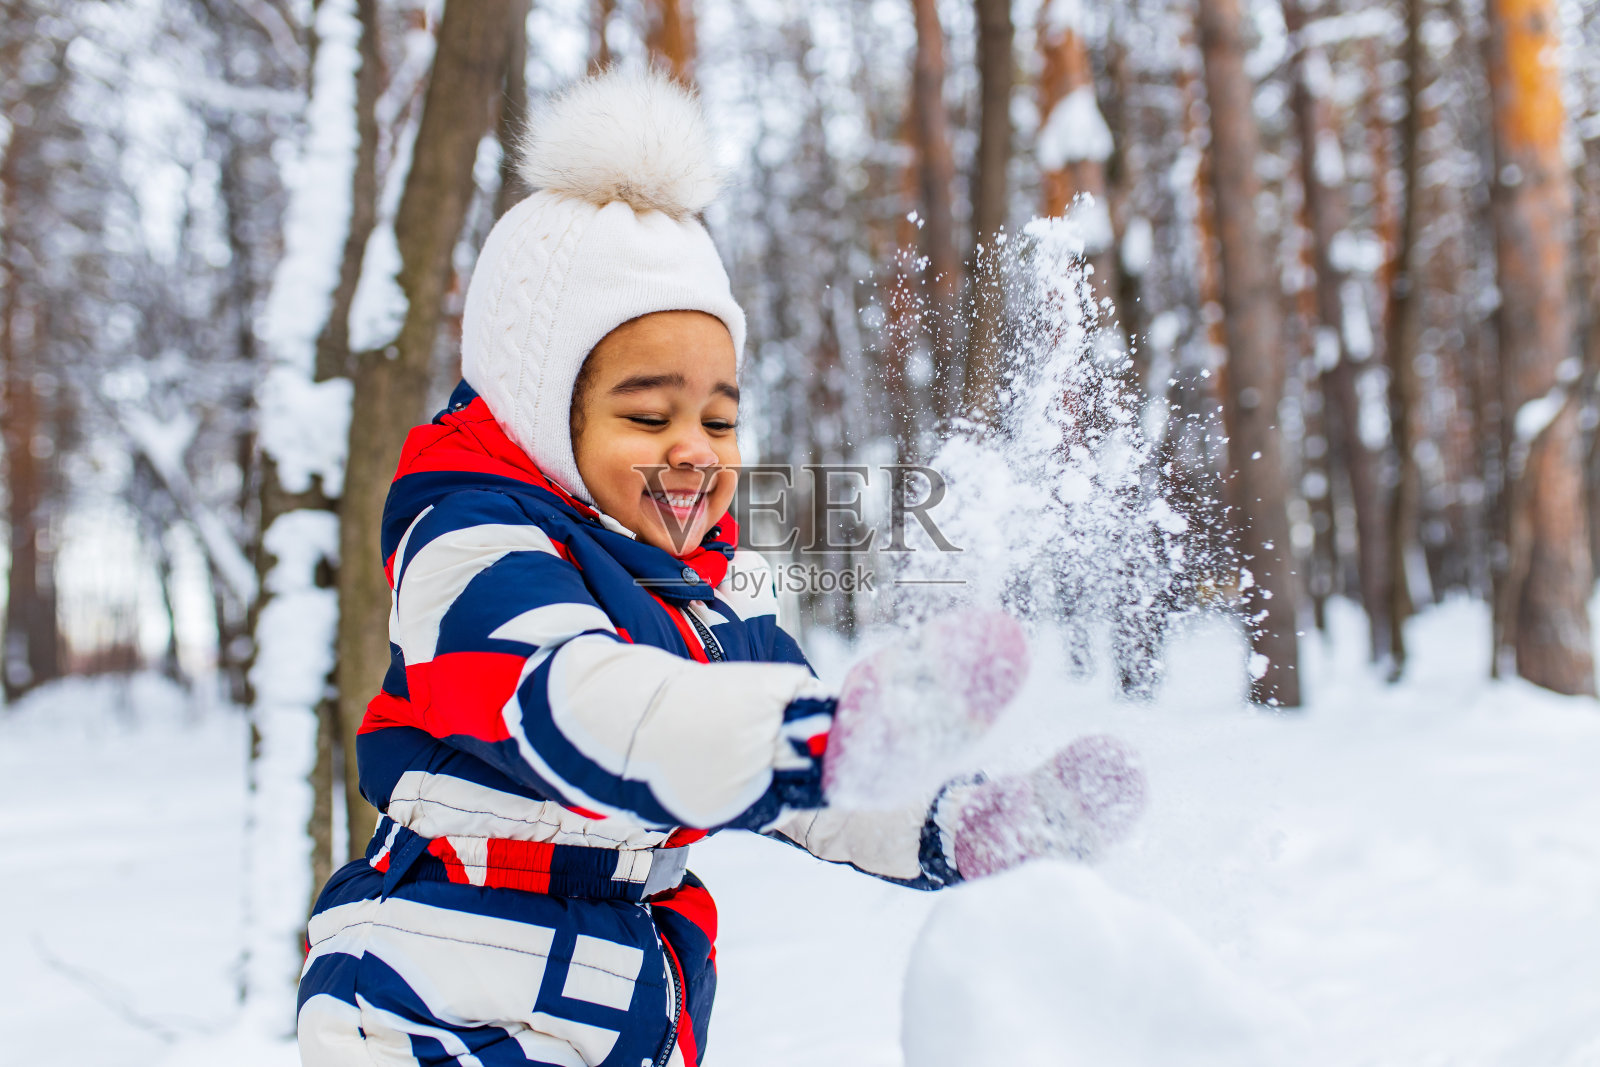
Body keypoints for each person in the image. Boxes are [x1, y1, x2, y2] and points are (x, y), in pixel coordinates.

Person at [296, 67, 1144, 1067]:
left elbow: (795, 767)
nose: (695, 447)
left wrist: (955, 820)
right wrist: (811, 739)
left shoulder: (708, 584)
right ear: (540, 410)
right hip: (434, 994)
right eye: (648, 415)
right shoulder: (470, 535)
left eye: (720, 416)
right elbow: (578, 703)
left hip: (606, 999)